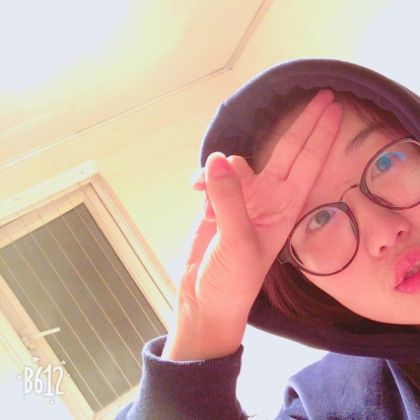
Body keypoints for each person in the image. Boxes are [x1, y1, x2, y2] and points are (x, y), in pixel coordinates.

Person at [117, 59, 420, 419]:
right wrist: (203, 324)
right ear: (302, 282)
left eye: (386, 163)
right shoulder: (328, 405)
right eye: (320, 220)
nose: (384, 231)